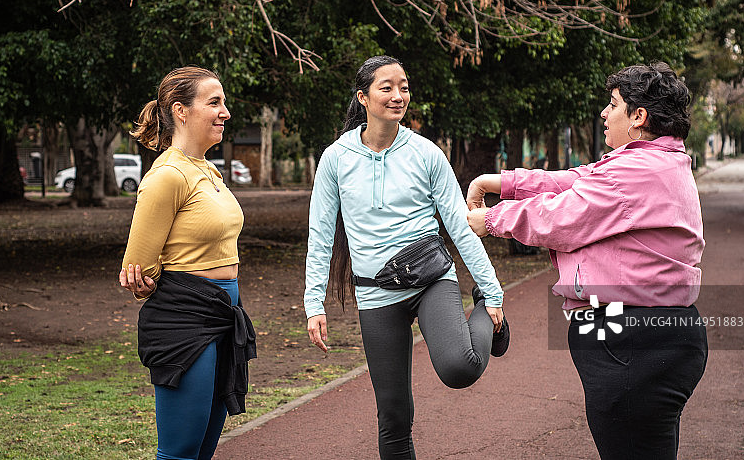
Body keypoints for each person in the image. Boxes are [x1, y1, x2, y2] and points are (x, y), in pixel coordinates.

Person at [467, 62, 708, 460]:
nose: (603, 113)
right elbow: (580, 180)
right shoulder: (659, 162)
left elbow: (561, 215)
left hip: (629, 339)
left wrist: (490, 219)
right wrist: (503, 182)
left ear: (638, 117)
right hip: (657, 335)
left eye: (612, 104)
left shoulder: (633, 171)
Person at [305, 55, 510, 459]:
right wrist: (314, 302)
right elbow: (321, 234)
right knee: (394, 417)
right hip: (376, 294)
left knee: (460, 368)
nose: (398, 96)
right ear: (362, 97)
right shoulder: (336, 159)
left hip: (430, 279)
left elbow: (459, 224)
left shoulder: (426, 153)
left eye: (404, 87)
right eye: (387, 87)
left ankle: (485, 310)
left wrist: (493, 290)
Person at [118, 66, 256, 460]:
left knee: (203, 449)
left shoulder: (207, 169)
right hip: (184, 319)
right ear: (180, 111)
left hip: (225, 312)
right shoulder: (166, 175)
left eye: (224, 102)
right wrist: (142, 280)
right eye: (214, 102)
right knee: (180, 452)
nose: (225, 112)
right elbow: (137, 267)